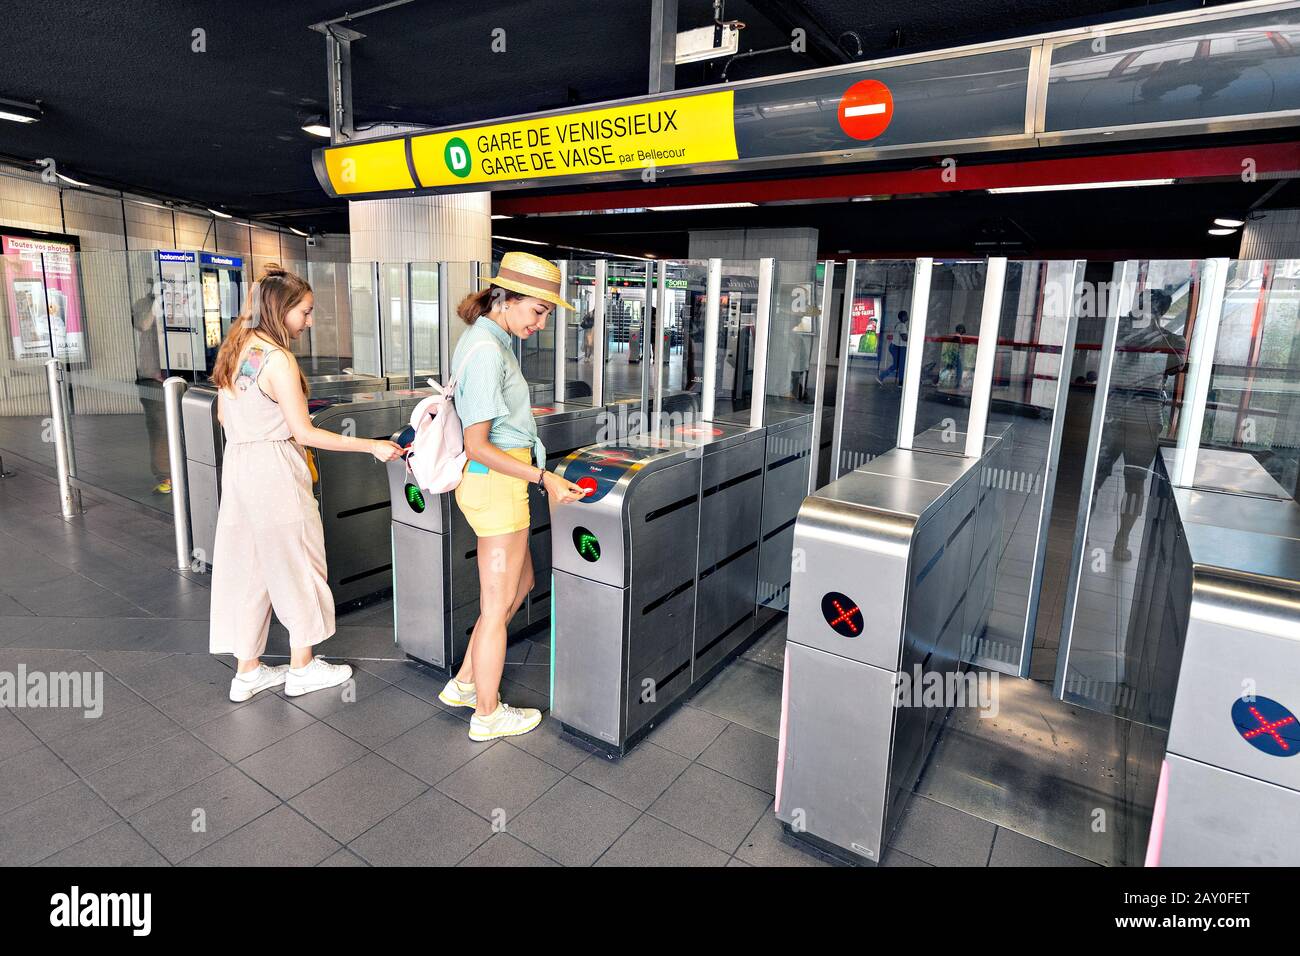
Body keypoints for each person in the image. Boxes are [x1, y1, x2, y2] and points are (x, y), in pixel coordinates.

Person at [208, 264, 402, 702]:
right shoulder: (278, 360)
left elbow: (224, 416)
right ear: (281, 310)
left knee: (251, 570)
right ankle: (302, 667)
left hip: (240, 469)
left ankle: (248, 672)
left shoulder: (237, 350)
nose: (310, 321)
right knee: (297, 562)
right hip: (275, 469)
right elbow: (305, 432)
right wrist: (371, 446)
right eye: (305, 312)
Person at [438, 252, 587, 742]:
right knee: (497, 602)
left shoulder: (492, 342)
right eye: (538, 311)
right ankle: (486, 714)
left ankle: (464, 682)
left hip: (503, 484)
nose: (541, 323)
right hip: (495, 485)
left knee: (521, 583)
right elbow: (477, 444)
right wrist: (541, 478)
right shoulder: (485, 350)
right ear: (506, 298)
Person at [1091, 288, 1186, 561]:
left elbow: (1174, 363)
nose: (1141, 311)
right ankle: (1083, 530)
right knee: (1095, 477)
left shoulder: (1172, 339)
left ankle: (1122, 539)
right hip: (1113, 414)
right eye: (1140, 305)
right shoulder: (1119, 332)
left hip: (1144, 420)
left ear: (1161, 313)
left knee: (1135, 482)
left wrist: (1152, 331)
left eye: (1150, 308)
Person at [132, 291, 170, 494]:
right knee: (160, 429)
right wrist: (157, 303)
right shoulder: (142, 304)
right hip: (152, 378)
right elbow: (143, 325)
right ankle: (165, 475)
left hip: (179, 376)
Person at [878, 310, 909, 385]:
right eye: (906, 315)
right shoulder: (902, 326)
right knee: (901, 365)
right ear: (903, 317)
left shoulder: (899, 324)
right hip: (899, 348)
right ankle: (901, 383)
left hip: (895, 347)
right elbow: (904, 338)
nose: (907, 316)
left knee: (897, 365)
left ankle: (881, 377)